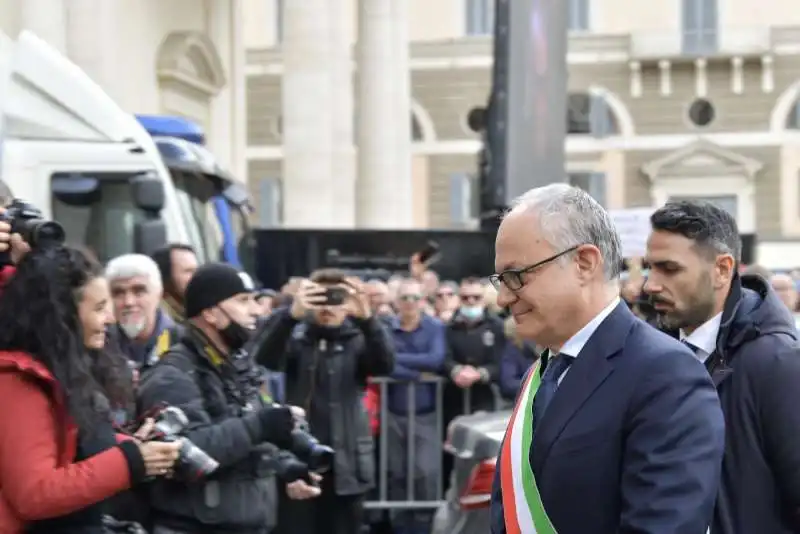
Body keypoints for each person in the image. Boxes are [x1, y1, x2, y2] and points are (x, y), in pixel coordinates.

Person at [489, 184, 725, 534]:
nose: (503, 298)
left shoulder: (665, 374)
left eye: (517, 276)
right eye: (500, 280)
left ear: (584, 263)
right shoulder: (541, 373)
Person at [0, 245, 182, 533]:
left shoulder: (67, 371)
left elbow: (74, 452)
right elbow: (35, 493)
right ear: (62, 316)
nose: (110, 319)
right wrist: (132, 461)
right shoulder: (18, 381)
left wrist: (132, 446)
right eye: (99, 308)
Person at [644, 200, 800, 534]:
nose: (650, 285)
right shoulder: (649, 359)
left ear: (722, 269)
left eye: (668, 269)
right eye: (650, 268)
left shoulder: (778, 364)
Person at [136, 262, 319, 534]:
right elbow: (186, 453)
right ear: (211, 313)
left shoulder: (235, 365)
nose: (255, 310)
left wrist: (286, 467)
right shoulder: (172, 373)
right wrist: (260, 426)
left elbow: (243, 439)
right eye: (243, 301)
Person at [256, 268, 395, 534]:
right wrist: (290, 316)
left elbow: (385, 365)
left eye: (336, 298)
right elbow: (266, 358)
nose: (329, 307)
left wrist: (367, 319)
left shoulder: (358, 338)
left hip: (349, 462)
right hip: (302, 458)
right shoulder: (297, 337)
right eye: (322, 298)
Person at [386, 278, 446, 534]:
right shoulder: (386, 328)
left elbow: (435, 360)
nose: (409, 303)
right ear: (396, 302)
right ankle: (399, 525)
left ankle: (425, 524)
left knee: (426, 471)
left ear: (423, 301)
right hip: (392, 411)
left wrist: (397, 362)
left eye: (414, 298)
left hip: (425, 411)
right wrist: (413, 373)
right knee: (395, 471)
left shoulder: (434, 327)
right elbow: (382, 362)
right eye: (405, 298)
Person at [106, 254, 183, 373]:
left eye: (139, 291)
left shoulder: (182, 343)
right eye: (119, 293)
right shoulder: (101, 345)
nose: (129, 302)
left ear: (158, 294)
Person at [150, 243, 199, 324]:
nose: (197, 276)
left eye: (196, 270)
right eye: (188, 271)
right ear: (165, 277)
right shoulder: (158, 320)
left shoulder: (192, 311)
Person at [498, 316, 538, 401]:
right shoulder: (512, 352)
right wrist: (537, 386)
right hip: (526, 399)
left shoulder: (548, 347)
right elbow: (509, 383)